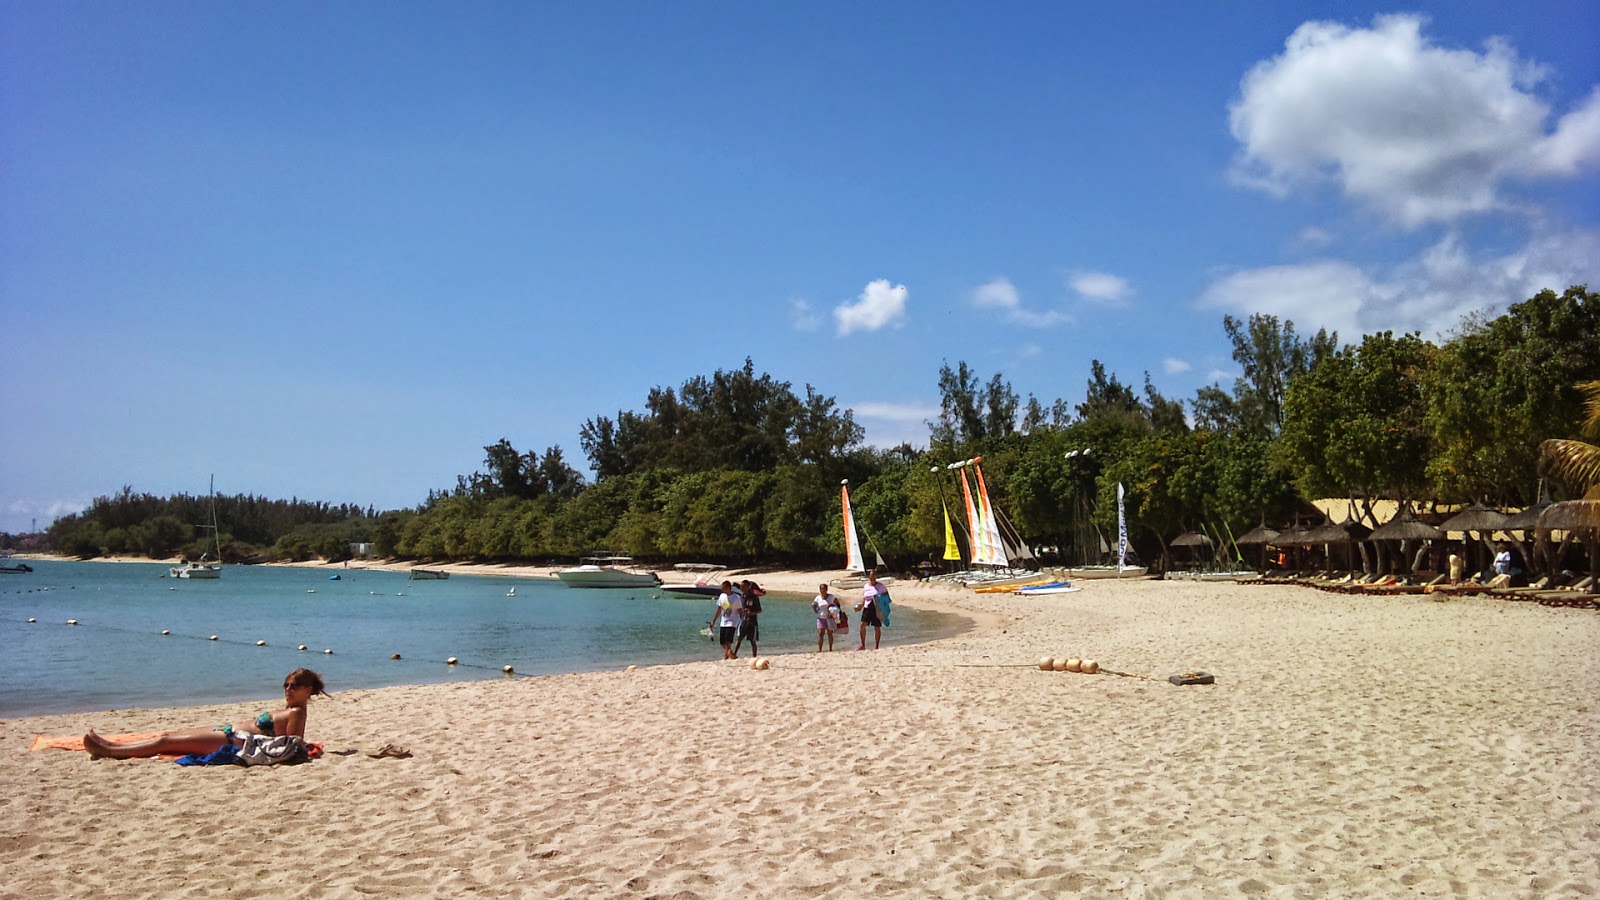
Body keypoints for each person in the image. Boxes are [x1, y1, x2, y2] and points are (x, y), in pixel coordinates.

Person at [82, 669, 328, 759]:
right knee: (168, 736)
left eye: (293, 686)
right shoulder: (289, 709)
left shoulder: (297, 712)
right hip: (227, 732)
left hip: (233, 740)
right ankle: (110, 744)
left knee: (165, 743)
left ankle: (109, 751)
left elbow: (290, 744)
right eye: (285, 685)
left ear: (307, 690)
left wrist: (308, 747)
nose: (287, 689)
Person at [856, 570, 886, 651]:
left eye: (873, 576)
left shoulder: (881, 586)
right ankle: (863, 645)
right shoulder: (866, 586)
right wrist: (860, 606)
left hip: (877, 608)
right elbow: (864, 598)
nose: (872, 578)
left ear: (876, 576)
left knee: (877, 627)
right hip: (867, 608)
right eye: (871, 576)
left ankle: (876, 646)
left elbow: (886, 597)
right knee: (862, 626)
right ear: (869, 577)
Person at [711, 581, 742, 659]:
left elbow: (740, 610)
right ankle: (732, 655)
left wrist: (742, 621)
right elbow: (719, 610)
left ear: (728, 588)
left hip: (732, 622)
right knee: (722, 643)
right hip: (723, 622)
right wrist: (713, 621)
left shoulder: (736, 597)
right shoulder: (722, 596)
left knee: (728, 642)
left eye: (724, 588)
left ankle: (726, 657)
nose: (723, 590)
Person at [733, 580, 764, 658]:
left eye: (743, 586)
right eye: (741, 586)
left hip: (752, 622)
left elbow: (759, 610)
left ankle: (754, 657)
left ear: (748, 587)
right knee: (739, 638)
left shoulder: (754, 597)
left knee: (752, 641)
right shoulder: (742, 596)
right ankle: (734, 654)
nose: (741, 588)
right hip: (743, 620)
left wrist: (751, 613)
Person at [813, 583, 839, 652]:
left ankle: (830, 648)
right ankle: (820, 650)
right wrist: (815, 609)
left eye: (824, 589)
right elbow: (814, 605)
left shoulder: (831, 597)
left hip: (830, 618)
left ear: (826, 590)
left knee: (830, 634)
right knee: (821, 633)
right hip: (821, 618)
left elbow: (838, 604)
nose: (822, 591)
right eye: (821, 589)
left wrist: (833, 607)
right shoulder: (818, 598)